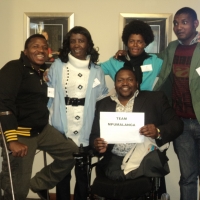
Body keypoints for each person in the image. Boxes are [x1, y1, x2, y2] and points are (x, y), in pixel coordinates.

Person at [0, 34, 78, 200]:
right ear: (25, 51)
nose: (41, 50)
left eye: (44, 47)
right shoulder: (14, 68)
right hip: (20, 134)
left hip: (42, 130)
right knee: (18, 192)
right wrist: (12, 140)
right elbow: (3, 105)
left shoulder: (41, 71)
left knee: (72, 154)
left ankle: (38, 185)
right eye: (36, 46)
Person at [89, 67, 183, 181]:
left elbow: (177, 124)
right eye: (120, 80)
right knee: (113, 182)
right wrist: (97, 144)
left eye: (130, 79)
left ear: (137, 83)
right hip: (114, 158)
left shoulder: (155, 99)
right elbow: (94, 135)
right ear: (115, 84)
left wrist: (158, 131)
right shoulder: (102, 104)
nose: (125, 83)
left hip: (144, 158)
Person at [47, 26, 108, 200]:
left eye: (81, 40)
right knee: (62, 172)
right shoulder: (58, 66)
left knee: (83, 175)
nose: (76, 44)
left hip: (85, 128)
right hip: (61, 127)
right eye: (73, 41)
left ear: (88, 44)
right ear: (68, 44)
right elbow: (49, 95)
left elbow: (101, 100)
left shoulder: (96, 70)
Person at [153, 7, 200, 200]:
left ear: (195, 24)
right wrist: (126, 56)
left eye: (184, 22)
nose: (178, 27)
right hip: (181, 124)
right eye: (176, 22)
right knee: (188, 176)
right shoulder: (172, 48)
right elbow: (153, 65)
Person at [100, 20, 163, 91]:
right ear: (126, 42)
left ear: (145, 43)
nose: (135, 45)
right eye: (131, 41)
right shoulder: (114, 62)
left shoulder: (155, 62)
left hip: (146, 100)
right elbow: (92, 68)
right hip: (122, 101)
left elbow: (171, 69)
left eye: (139, 42)